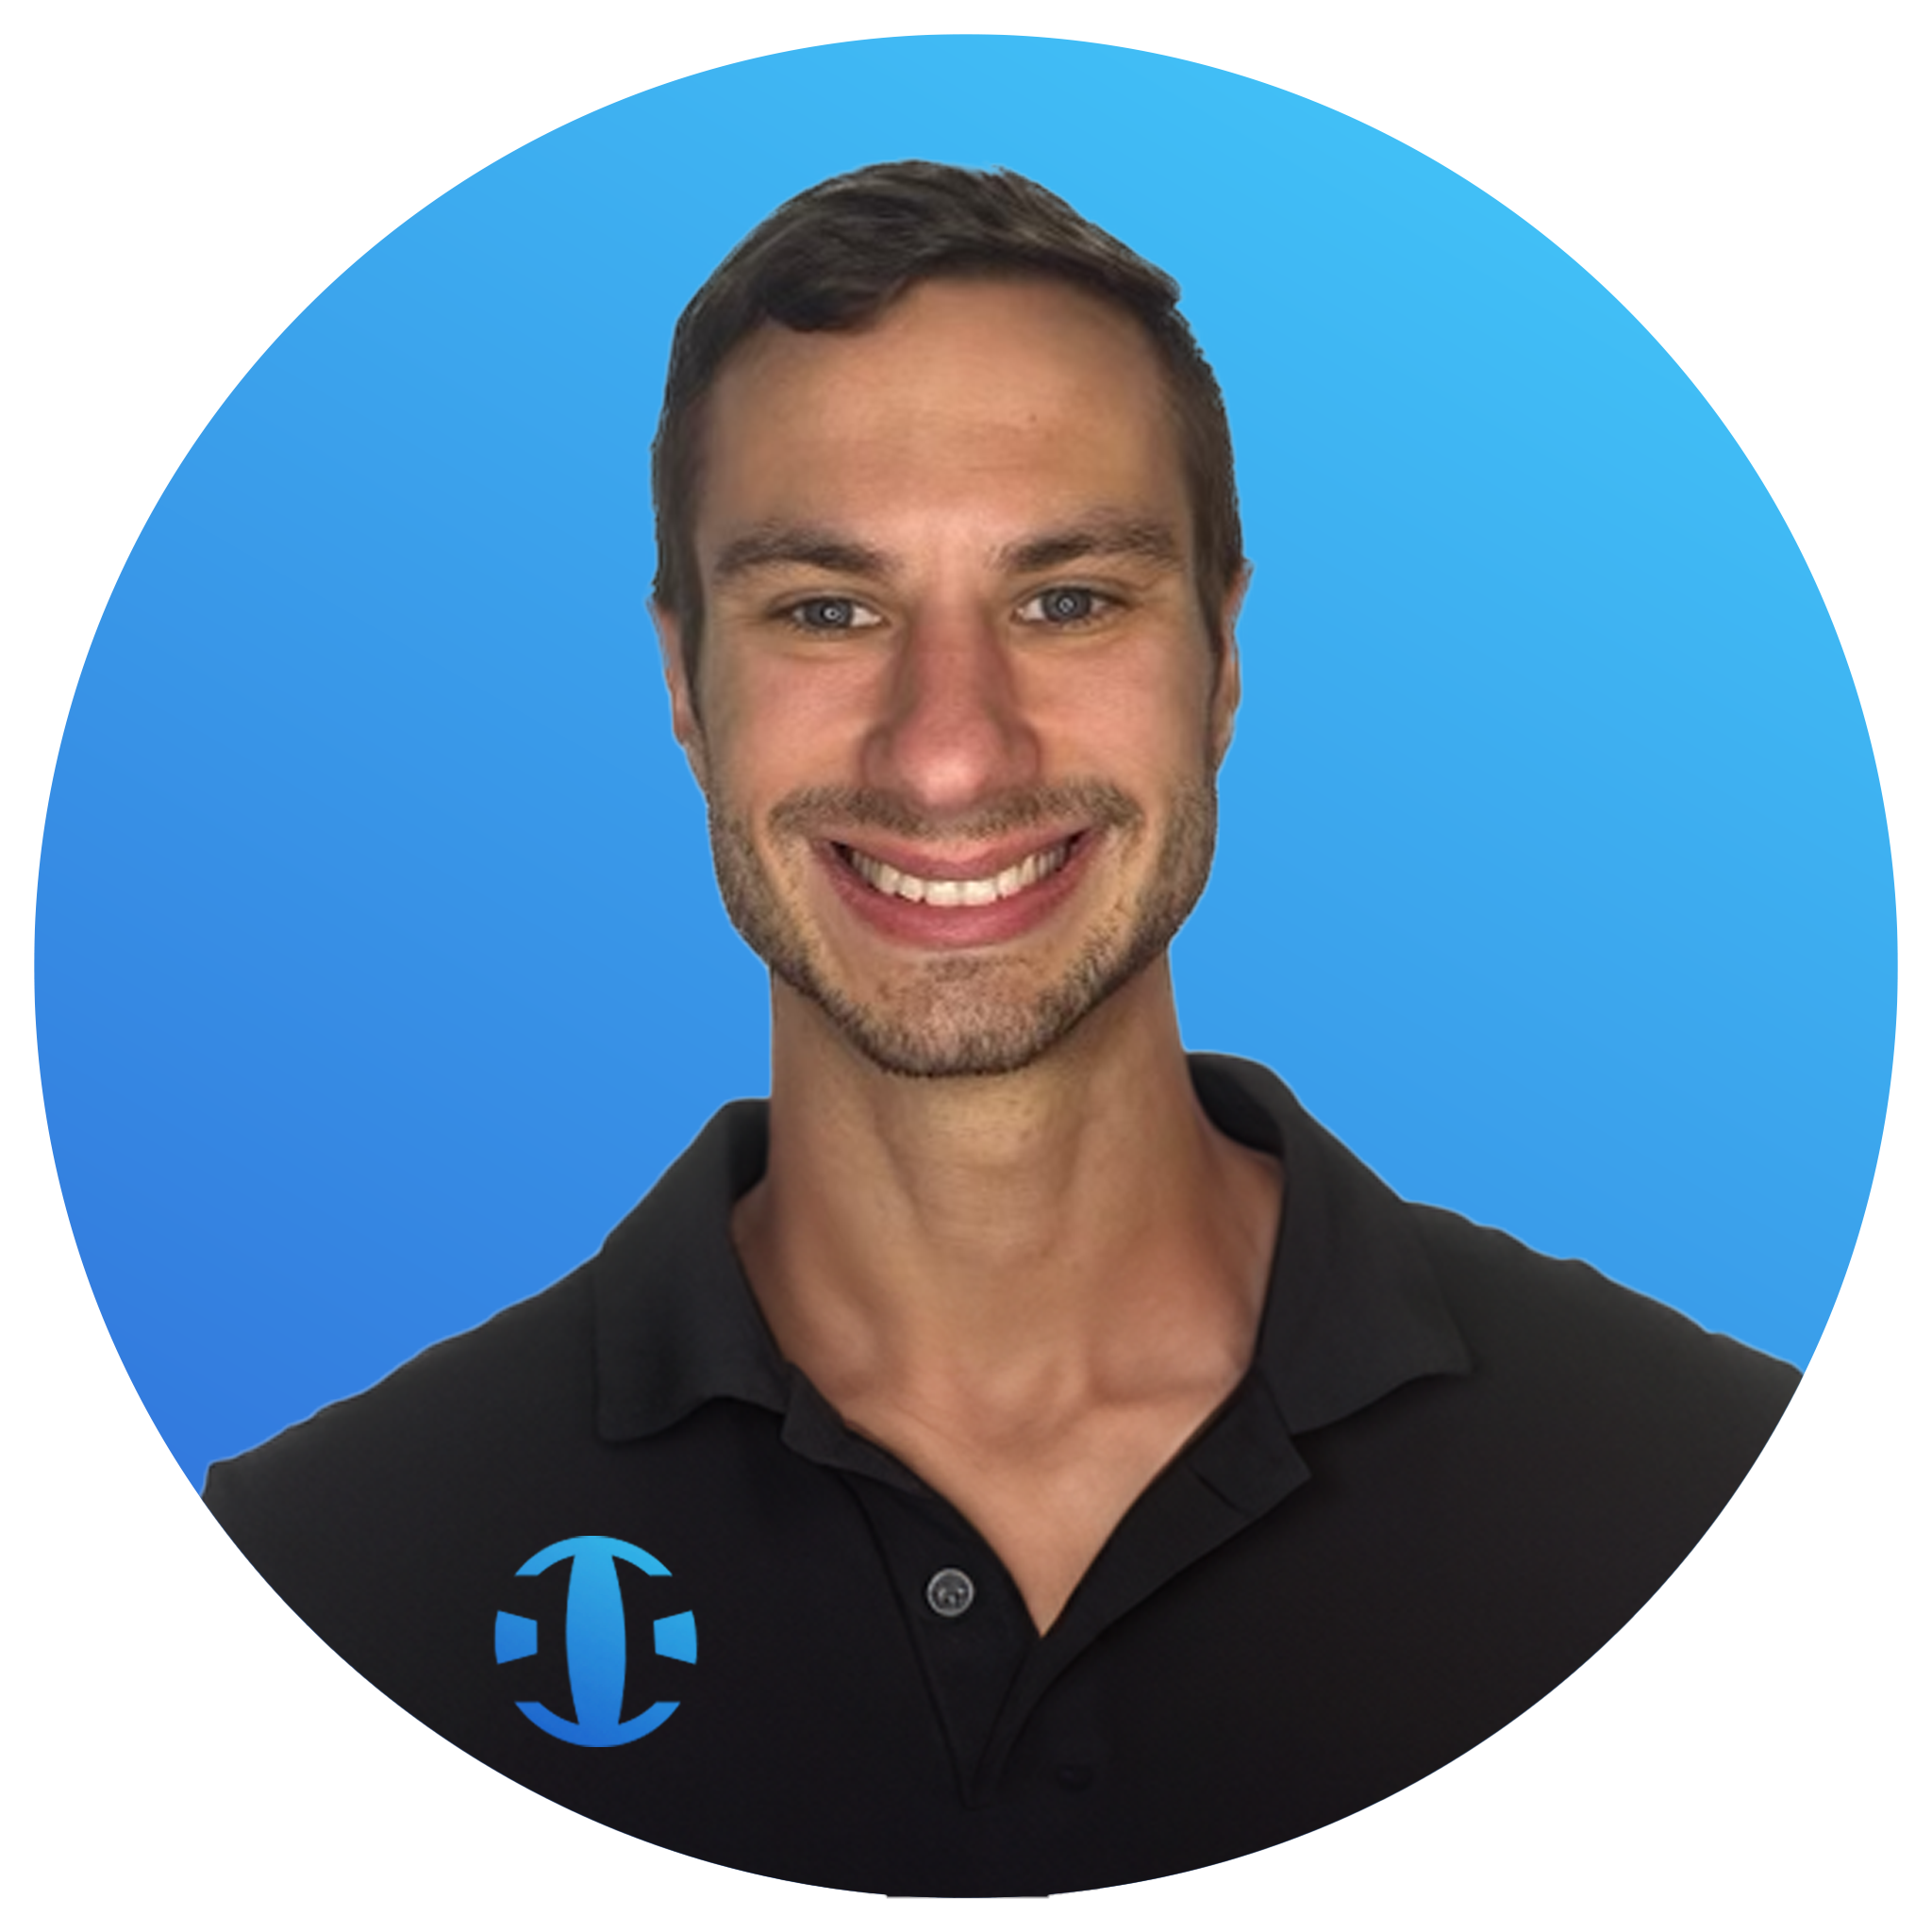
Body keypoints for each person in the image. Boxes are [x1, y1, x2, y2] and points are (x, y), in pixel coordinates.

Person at [200, 161, 1800, 1897]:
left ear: (1223, 660)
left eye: (1066, 601)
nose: (948, 752)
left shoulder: (1735, 1525)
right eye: (828, 609)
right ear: (683, 685)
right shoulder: (336, 1574)